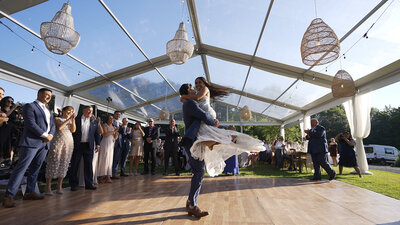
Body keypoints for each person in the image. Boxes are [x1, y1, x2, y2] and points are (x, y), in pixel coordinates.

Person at [181, 77, 265, 177]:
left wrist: (183, 96)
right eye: (196, 83)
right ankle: (219, 142)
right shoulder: (193, 97)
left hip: (208, 114)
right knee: (203, 137)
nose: (198, 84)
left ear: (204, 83)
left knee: (206, 135)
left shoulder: (204, 90)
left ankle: (228, 138)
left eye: (200, 82)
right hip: (204, 117)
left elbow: (198, 98)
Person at [3, 88, 56, 208]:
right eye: (46, 95)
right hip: (31, 142)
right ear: (39, 94)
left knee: (35, 169)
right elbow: (30, 124)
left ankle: (30, 192)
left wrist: (51, 135)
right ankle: (9, 196)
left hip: (45, 143)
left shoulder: (48, 109)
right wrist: (44, 135)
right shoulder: (29, 106)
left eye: (50, 96)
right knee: (21, 169)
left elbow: (52, 125)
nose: (48, 97)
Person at [179, 83, 218, 218]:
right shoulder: (189, 104)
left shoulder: (189, 102)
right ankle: (192, 205)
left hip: (193, 140)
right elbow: (203, 115)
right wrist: (214, 122)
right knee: (199, 171)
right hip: (192, 140)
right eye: (192, 88)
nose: (194, 89)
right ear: (188, 91)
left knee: (198, 171)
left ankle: (190, 202)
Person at [45, 106, 77, 195]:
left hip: (68, 141)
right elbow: (59, 127)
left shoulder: (71, 120)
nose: (70, 112)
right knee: (53, 161)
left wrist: (73, 120)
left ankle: (59, 186)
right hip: (58, 141)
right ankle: (48, 186)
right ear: (63, 111)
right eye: (68, 111)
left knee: (64, 163)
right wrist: (68, 119)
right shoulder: (57, 118)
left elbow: (73, 130)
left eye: (72, 111)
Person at [69, 105, 101, 191]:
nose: (90, 112)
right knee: (74, 165)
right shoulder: (76, 119)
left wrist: (98, 144)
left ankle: (89, 184)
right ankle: (73, 184)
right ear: (83, 111)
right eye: (88, 110)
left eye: (91, 111)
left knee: (88, 166)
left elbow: (97, 134)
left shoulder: (94, 121)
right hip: (77, 145)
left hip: (88, 146)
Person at [97, 115, 118, 183]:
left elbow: (115, 137)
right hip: (105, 143)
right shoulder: (104, 125)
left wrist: (116, 133)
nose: (112, 119)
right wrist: (114, 131)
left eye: (112, 118)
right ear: (107, 119)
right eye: (110, 118)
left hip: (111, 144)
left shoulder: (114, 127)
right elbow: (105, 134)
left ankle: (108, 176)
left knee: (109, 159)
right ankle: (101, 176)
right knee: (104, 159)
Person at [111, 111, 122, 179]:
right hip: (112, 141)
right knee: (111, 158)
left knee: (116, 159)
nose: (118, 115)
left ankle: (114, 173)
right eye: (117, 114)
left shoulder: (121, 123)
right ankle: (109, 174)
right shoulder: (111, 122)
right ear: (114, 114)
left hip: (119, 142)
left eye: (119, 114)